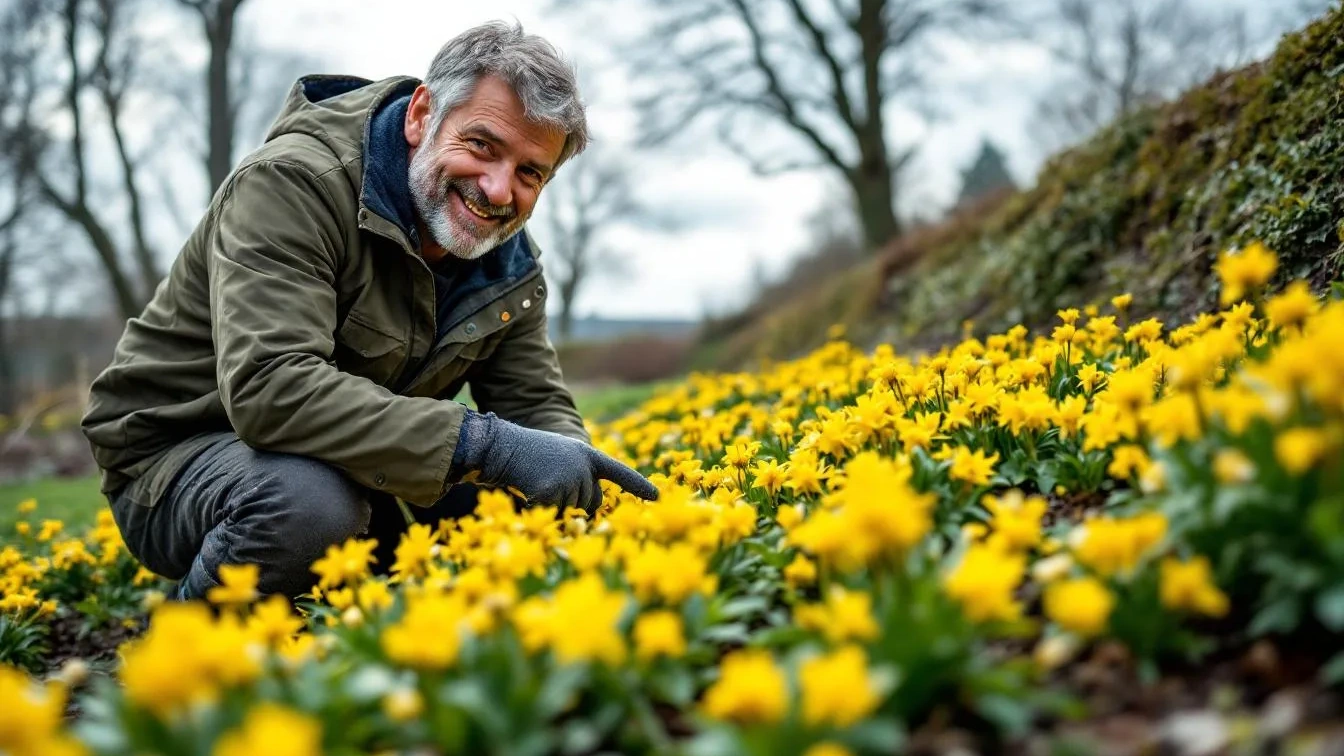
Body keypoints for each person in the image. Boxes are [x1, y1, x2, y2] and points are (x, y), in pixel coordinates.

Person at [79, 21, 658, 601]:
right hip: (176, 458)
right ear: (422, 115)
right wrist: (490, 447)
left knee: (526, 494)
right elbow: (270, 389)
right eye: (482, 145)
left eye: (530, 172)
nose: (500, 190)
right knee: (311, 506)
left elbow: (532, 402)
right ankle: (176, 654)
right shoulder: (292, 185)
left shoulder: (506, 257)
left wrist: (582, 491)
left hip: (340, 458)